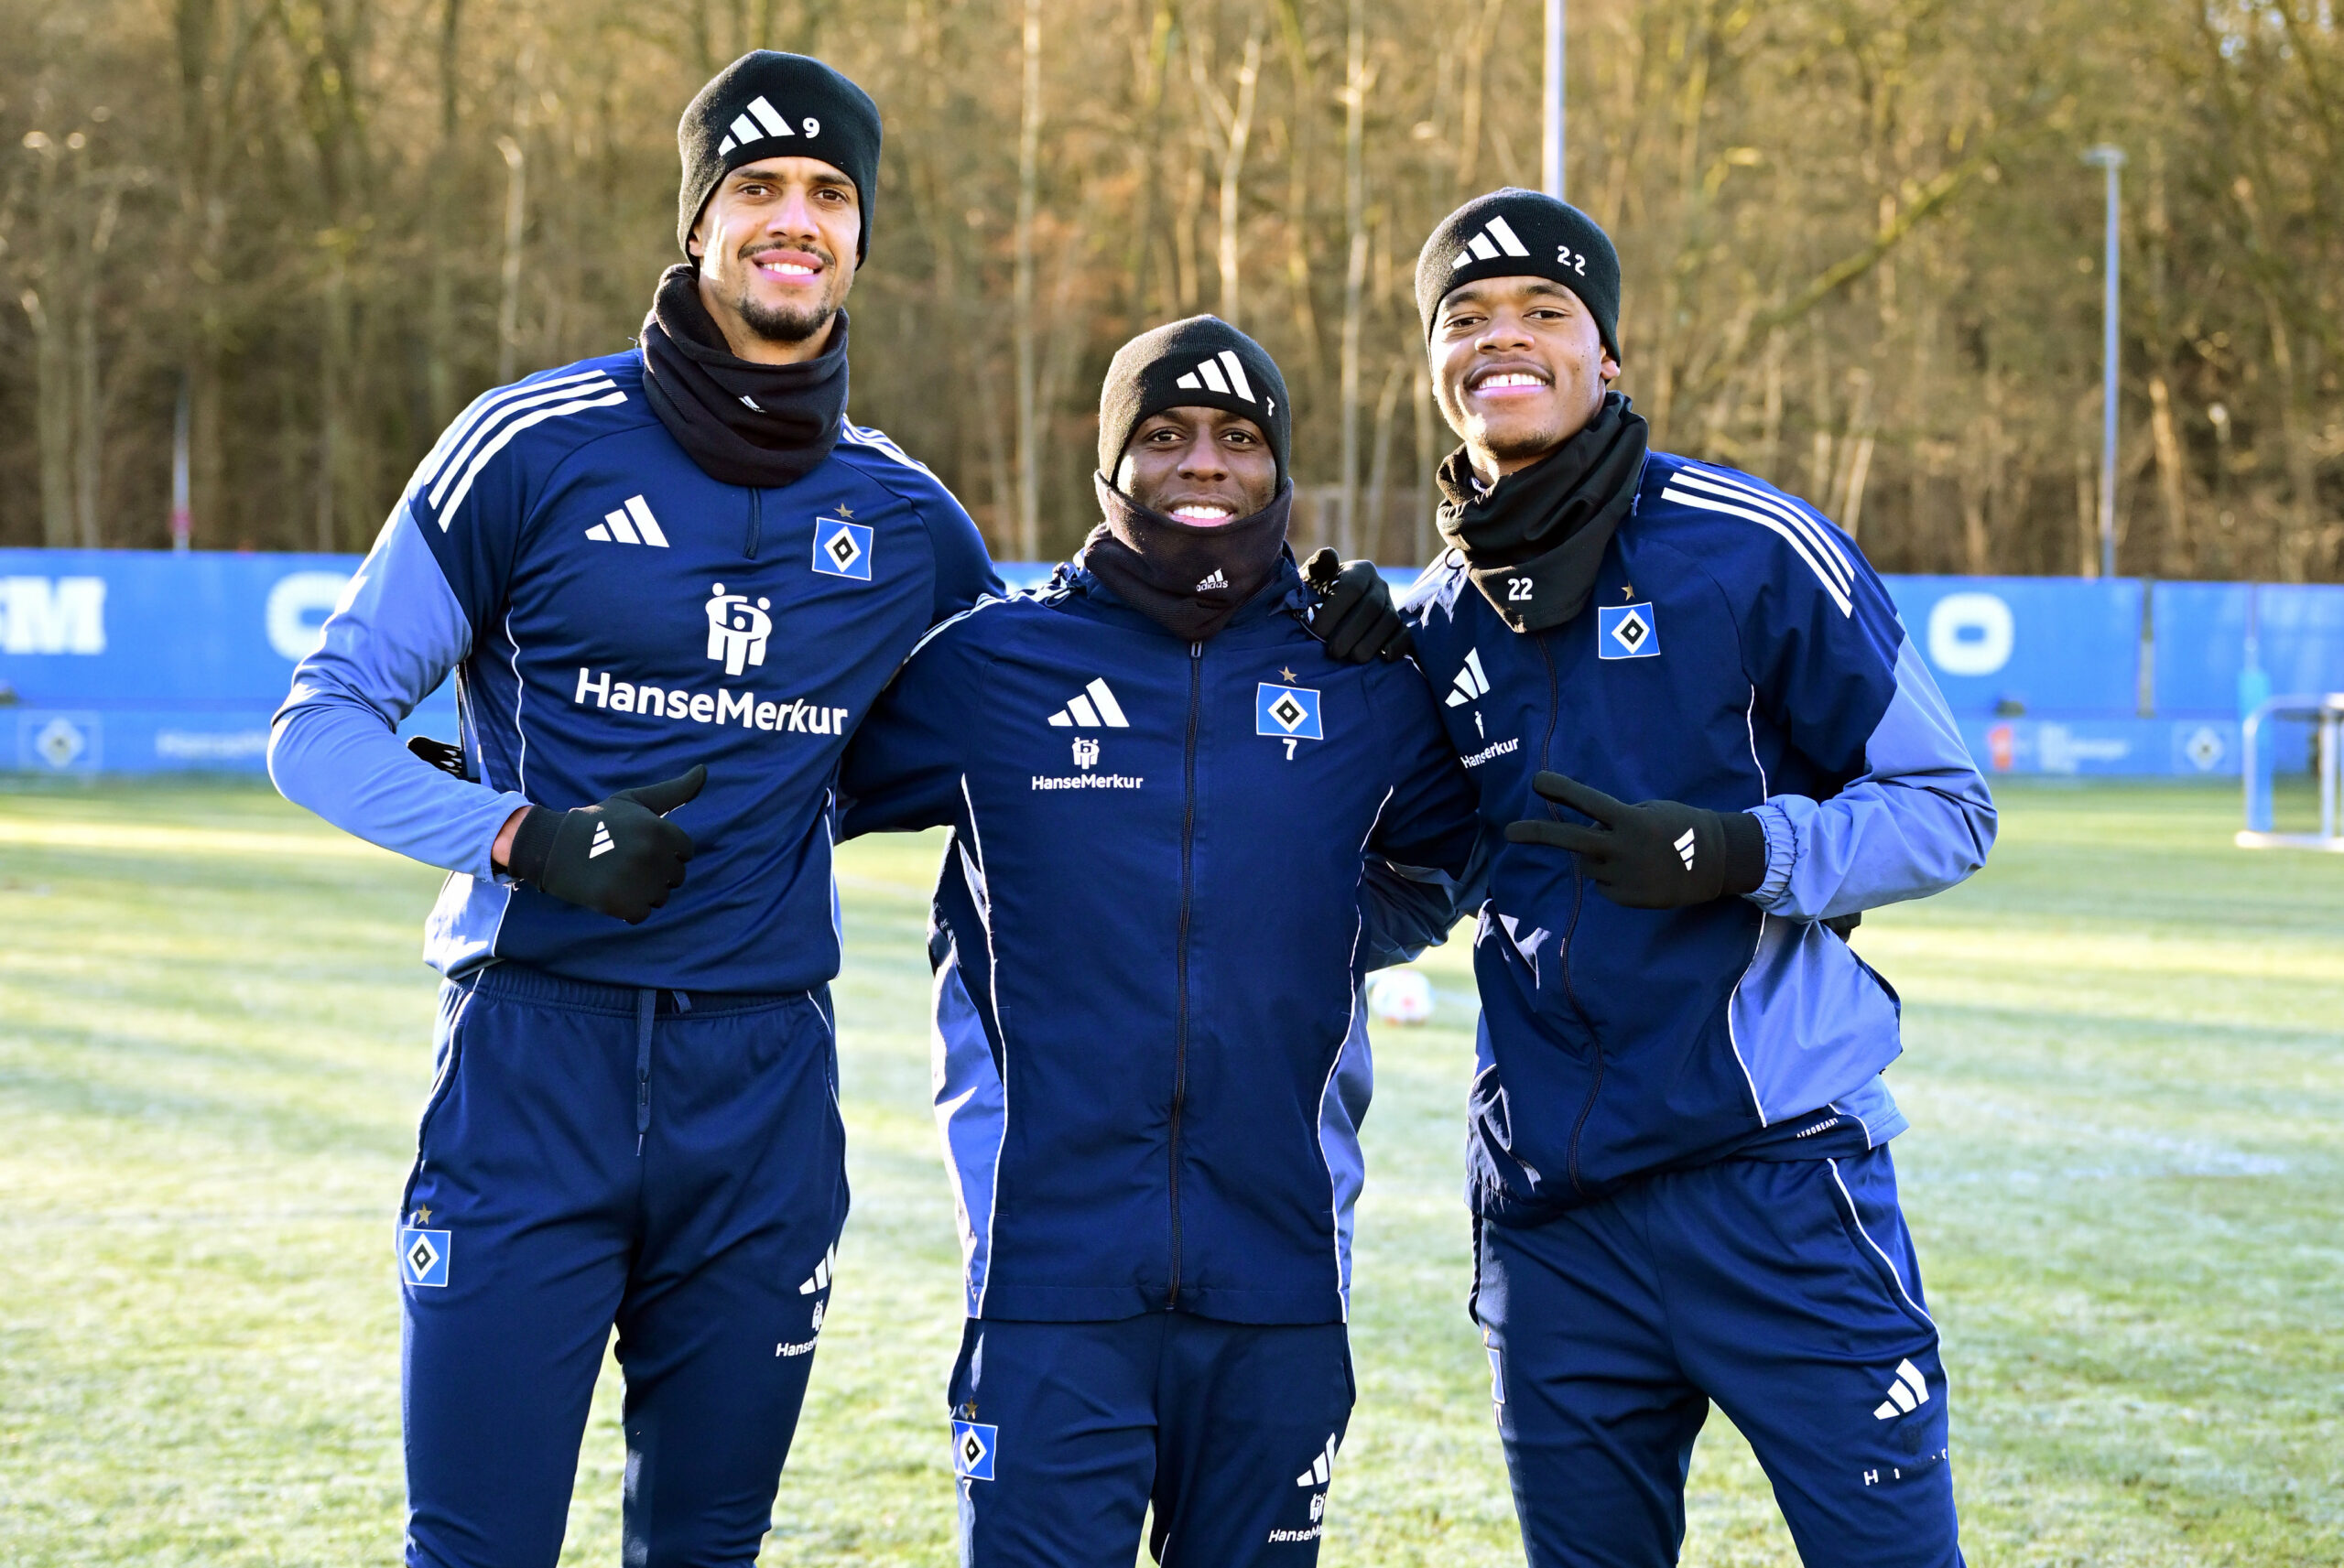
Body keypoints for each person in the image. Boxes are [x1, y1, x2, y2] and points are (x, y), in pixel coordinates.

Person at [268, 50, 1001, 1567]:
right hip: (534, 1061)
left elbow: (1045, 713)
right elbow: (317, 729)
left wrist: (1281, 625)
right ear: (697, 225)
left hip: (764, 1090)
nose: (793, 221)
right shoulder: (530, 447)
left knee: (705, 1549)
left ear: (861, 235)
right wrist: (522, 834)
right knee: (476, 1548)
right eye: (756, 191)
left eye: (827, 195)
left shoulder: (911, 523)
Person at [1398, 189, 1997, 1568]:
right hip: (1555, 1224)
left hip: (1774, 1183)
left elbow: (1949, 808)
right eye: (1467, 321)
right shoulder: (1433, 620)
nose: (1506, 340)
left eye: (1545, 312)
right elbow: (1418, 892)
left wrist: (1746, 851)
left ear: (1607, 355)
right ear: (1437, 370)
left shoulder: (1748, 546)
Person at [838, 316, 1476, 1568]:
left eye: (1239, 438)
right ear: (1110, 466)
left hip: (1279, 1282)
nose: (1204, 463)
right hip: (1047, 1281)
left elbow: (1458, 855)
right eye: (1167, 435)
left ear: (1282, 471)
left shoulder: (1362, 681)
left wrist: (1324, 931)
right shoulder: (994, 667)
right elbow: (793, 782)